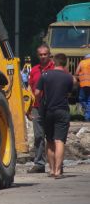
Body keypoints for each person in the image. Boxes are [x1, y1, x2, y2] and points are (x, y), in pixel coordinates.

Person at [35, 53, 74, 179]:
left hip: (48, 111)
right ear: (65, 63)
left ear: (54, 62)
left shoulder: (45, 75)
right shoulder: (68, 77)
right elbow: (69, 93)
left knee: (50, 140)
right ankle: (58, 171)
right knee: (59, 141)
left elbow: (37, 92)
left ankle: (51, 170)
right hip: (62, 110)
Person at [26, 43, 54, 173]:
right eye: (40, 55)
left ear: (49, 55)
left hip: (51, 106)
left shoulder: (55, 68)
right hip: (37, 106)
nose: (43, 57)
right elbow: (30, 90)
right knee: (38, 136)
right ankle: (39, 164)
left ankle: (55, 164)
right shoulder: (34, 70)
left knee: (52, 136)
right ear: (38, 56)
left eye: (45, 54)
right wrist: (29, 108)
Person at [74, 54, 90, 122]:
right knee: (89, 100)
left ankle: (87, 112)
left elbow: (76, 73)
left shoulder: (82, 62)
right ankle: (87, 117)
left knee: (82, 99)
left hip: (84, 84)